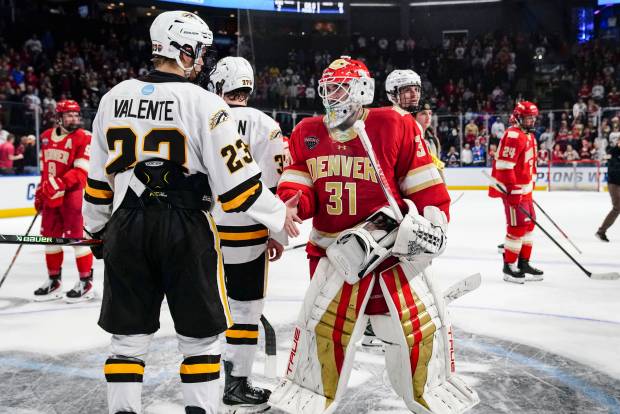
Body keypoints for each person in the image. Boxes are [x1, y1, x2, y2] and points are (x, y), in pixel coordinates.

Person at [82, 11, 301, 414]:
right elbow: (237, 189)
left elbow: (98, 183)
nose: (201, 60)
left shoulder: (112, 98)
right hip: (186, 227)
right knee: (200, 341)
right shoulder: (204, 103)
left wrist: (97, 230)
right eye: (198, 51)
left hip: (127, 224)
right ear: (183, 49)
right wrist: (276, 216)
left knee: (127, 340)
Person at [271, 57, 478, 413]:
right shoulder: (308, 130)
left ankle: (431, 387)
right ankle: (312, 396)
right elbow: (298, 183)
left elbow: (427, 186)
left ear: (362, 90)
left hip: (389, 256)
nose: (332, 95)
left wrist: (435, 222)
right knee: (323, 335)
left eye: (340, 86)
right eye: (328, 87)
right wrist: (290, 204)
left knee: (416, 331)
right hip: (332, 257)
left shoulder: (394, 123)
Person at [206, 56, 285, 411]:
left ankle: (203, 382)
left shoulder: (202, 117)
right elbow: (276, 184)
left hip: (204, 231)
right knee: (246, 308)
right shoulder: (266, 124)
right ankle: (236, 383)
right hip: (249, 232)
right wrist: (277, 234)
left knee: (205, 306)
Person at [33, 100, 93, 302]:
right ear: (59, 118)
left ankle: (86, 282)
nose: (74, 119)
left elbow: (81, 171)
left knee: (77, 238)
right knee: (49, 239)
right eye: (69, 115)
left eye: (76, 115)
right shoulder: (46, 137)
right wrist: (41, 192)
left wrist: (59, 183)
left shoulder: (84, 138)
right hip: (51, 195)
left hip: (73, 196)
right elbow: (44, 169)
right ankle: (54, 281)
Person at [489, 101, 544, 284]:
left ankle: (523, 262)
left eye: (533, 118)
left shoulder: (527, 135)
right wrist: (513, 190)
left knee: (528, 226)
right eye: (527, 118)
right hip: (515, 191)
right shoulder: (513, 135)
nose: (531, 121)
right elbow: (504, 166)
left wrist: (529, 190)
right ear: (519, 118)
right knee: (517, 228)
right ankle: (509, 266)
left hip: (525, 191)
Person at [596, 138, 620, 242]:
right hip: (614, 183)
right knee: (617, 208)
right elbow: (614, 168)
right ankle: (601, 231)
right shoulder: (612, 152)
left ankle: (601, 231)